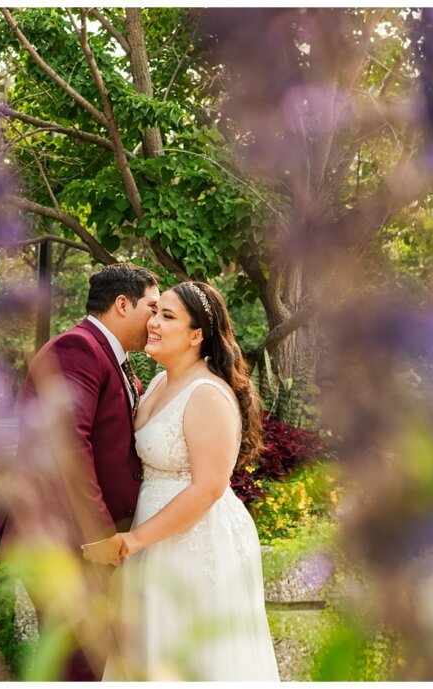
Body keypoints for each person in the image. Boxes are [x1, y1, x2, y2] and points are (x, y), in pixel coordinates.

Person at [83, 281, 280, 681]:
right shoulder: (158, 383)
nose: (153, 322)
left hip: (193, 543)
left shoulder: (208, 393)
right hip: (150, 538)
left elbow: (208, 488)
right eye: (155, 312)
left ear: (197, 336)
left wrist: (132, 541)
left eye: (167, 316)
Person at [0, 263, 160, 681]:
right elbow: (67, 448)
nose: (156, 320)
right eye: (152, 307)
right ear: (123, 304)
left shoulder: (108, 356)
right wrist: (101, 537)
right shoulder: (78, 349)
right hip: (66, 539)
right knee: (78, 664)